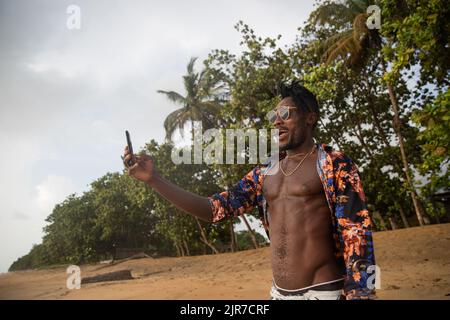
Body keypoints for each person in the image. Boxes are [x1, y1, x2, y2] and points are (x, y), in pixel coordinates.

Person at [123, 81, 376, 300]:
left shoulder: (335, 164)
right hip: (277, 293)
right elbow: (215, 210)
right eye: (274, 115)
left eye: (286, 113)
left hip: (324, 292)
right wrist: (153, 179)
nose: (277, 121)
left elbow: (357, 231)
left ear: (310, 117)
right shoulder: (264, 173)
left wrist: (362, 292)